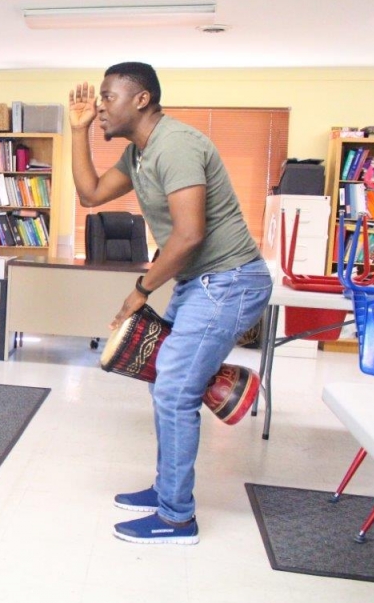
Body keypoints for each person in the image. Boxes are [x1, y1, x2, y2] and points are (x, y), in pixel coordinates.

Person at [68, 62, 272, 544]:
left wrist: (139, 292)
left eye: (107, 97)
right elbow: (90, 194)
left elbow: (189, 234)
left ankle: (177, 517)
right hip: (200, 281)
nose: (99, 107)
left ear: (141, 99)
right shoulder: (139, 155)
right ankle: (166, 489)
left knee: (175, 391)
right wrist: (78, 131)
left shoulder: (175, 145)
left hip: (229, 280)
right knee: (164, 379)